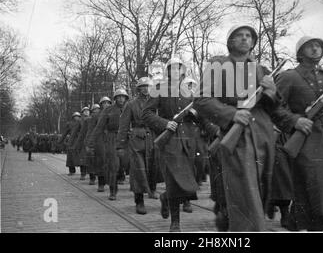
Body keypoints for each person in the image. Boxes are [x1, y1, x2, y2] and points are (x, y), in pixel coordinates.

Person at [194, 24, 296, 231]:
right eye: (238, 35)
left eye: (248, 36)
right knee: (245, 189)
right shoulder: (218, 64)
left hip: (264, 135)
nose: (244, 39)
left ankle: (234, 221)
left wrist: (272, 91)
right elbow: (201, 99)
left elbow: (276, 108)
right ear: (230, 41)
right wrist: (232, 114)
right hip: (237, 134)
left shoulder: (261, 70)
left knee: (261, 188)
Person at [274, 35, 323, 231]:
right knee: (313, 188)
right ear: (300, 52)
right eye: (310, 46)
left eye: (318, 46)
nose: (316, 49)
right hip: (307, 140)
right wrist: (295, 120)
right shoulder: (289, 77)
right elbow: (275, 107)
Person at [142, 58, 217, 232]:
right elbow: (146, 114)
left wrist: (199, 117)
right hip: (170, 142)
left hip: (190, 142)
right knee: (174, 180)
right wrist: (164, 123)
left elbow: (203, 117)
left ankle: (166, 198)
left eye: (179, 69)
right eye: (172, 69)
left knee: (192, 178)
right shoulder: (159, 89)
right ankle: (175, 222)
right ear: (168, 71)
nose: (176, 71)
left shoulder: (190, 92)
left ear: (183, 72)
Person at [117, 77, 162, 214]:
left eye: (148, 86)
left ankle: (152, 190)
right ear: (139, 89)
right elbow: (124, 125)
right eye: (143, 86)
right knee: (138, 170)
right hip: (137, 138)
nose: (146, 89)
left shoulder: (157, 102)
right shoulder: (131, 104)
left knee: (154, 167)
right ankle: (139, 201)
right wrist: (120, 145)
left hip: (154, 136)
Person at [88, 89, 129, 200]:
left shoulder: (129, 108)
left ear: (126, 98)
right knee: (113, 166)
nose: (121, 99)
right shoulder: (109, 110)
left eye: (123, 97)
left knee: (131, 165)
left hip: (128, 139)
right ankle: (113, 191)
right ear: (115, 98)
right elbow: (99, 127)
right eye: (118, 97)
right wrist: (91, 143)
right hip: (112, 139)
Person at [72, 107, 92, 181]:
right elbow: (75, 132)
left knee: (92, 158)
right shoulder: (80, 121)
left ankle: (92, 175)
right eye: (85, 111)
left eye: (88, 111)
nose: (87, 112)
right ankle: (83, 174)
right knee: (83, 158)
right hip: (82, 141)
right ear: (82, 112)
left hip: (91, 140)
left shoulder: (92, 119)